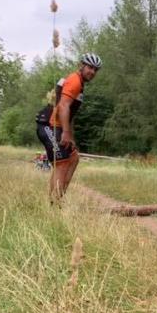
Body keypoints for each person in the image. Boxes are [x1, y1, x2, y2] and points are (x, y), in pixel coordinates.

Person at [36, 52, 102, 202]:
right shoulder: (75, 81)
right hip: (49, 125)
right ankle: (54, 204)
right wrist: (65, 132)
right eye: (90, 67)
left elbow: (69, 113)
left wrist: (69, 135)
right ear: (81, 65)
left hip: (56, 126)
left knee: (73, 158)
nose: (92, 72)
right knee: (62, 163)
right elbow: (64, 106)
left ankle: (57, 198)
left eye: (95, 70)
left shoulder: (78, 82)